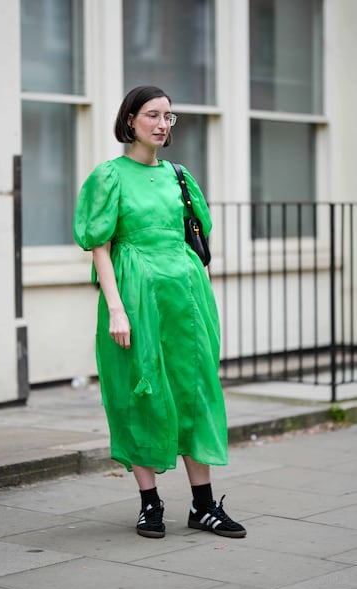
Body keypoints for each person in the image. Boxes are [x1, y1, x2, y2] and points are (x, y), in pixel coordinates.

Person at [73, 85, 246, 540]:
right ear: (131, 120)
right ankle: (150, 504)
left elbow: (197, 237)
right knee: (141, 391)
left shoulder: (180, 177)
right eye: (153, 114)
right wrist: (116, 309)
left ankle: (204, 506)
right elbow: (99, 247)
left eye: (169, 116)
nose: (163, 123)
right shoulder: (109, 176)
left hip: (187, 299)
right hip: (135, 297)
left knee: (196, 390)